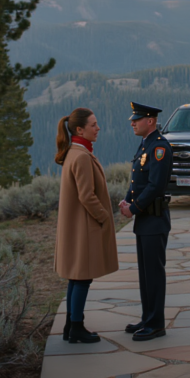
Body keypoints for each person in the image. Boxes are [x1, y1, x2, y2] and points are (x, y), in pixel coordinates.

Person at [54, 107, 119, 344]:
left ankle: (71, 327)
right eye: (93, 124)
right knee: (82, 278)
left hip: (78, 228)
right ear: (80, 129)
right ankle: (76, 328)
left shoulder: (75, 152)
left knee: (77, 277)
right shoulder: (81, 156)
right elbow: (87, 196)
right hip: (83, 229)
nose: (98, 128)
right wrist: (104, 217)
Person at [119, 101, 173, 341]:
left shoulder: (159, 147)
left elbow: (155, 185)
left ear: (150, 121)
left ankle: (156, 324)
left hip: (153, 217)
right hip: (145, 220)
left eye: (137, 119)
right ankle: (147, 317)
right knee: (145, 274)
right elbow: (137, 181)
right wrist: (127, 201)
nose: (132, 122)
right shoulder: (145, 146)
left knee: (153, 273)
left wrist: (135, 208)